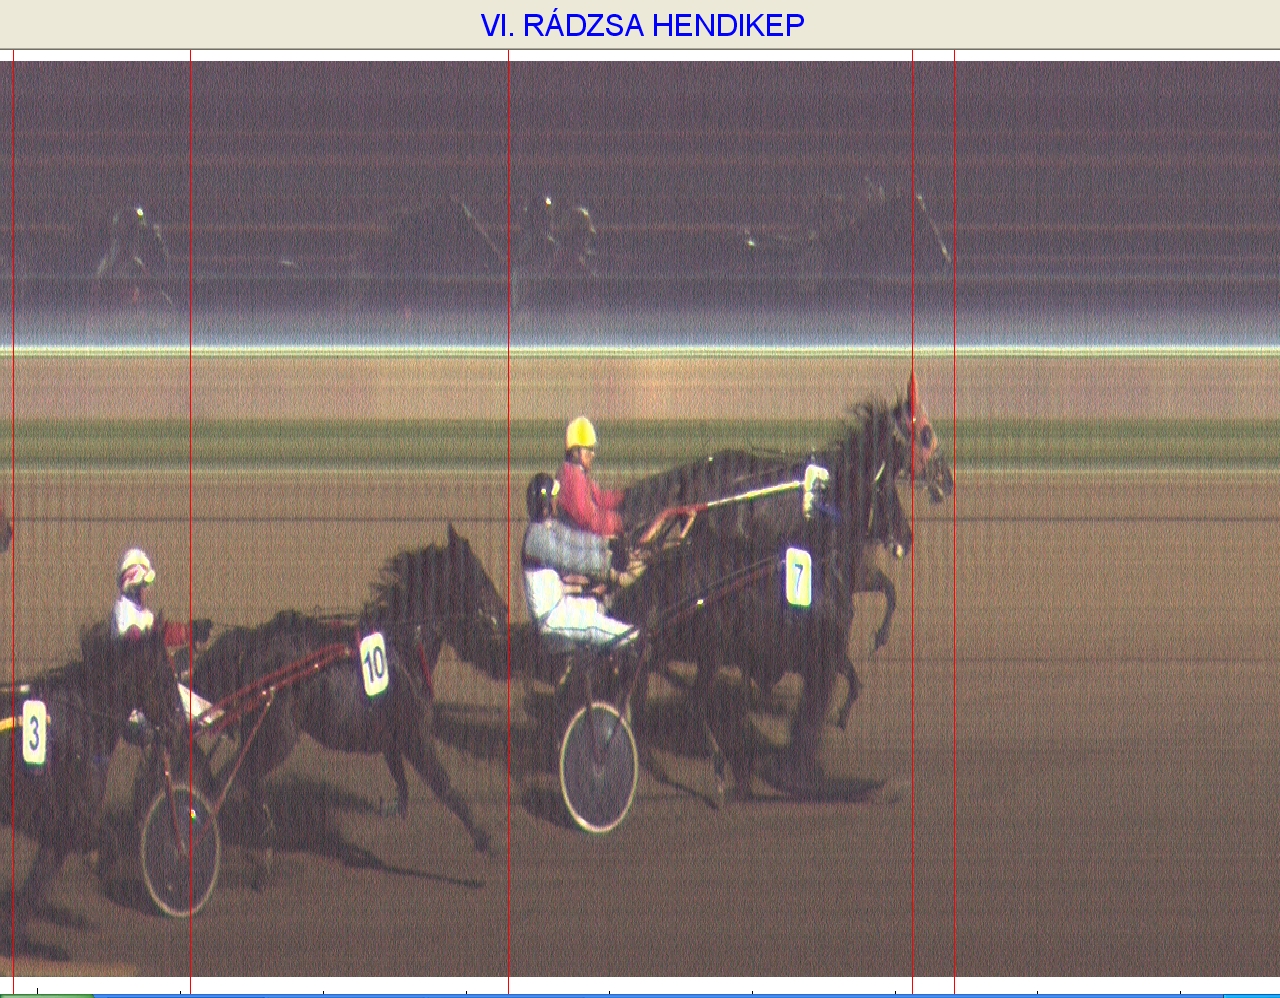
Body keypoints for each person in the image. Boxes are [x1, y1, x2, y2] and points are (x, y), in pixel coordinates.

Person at [522, 473, 641, 651]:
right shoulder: (537, 539)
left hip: (561, 606)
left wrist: (608, 544)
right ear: (545, 505)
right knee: (595, 625)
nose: (557, 501)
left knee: (603, 607)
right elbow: (573, 559)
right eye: (554, 498)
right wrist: (609, 561)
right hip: (551, 619)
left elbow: (576, 540)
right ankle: (638, 641)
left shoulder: (547, 527)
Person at [114, 548, 216, 734]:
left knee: (199, 704)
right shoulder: (123, 612)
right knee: (198, 709)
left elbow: (162, 632)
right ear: (133, 586)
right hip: (140, 696)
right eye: (143, 586)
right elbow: (148, 641)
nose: (146, 591)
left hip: (156, 683)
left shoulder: (142, 613)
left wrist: (189, 631)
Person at [559, 416, 624, 537]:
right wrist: (619, 521)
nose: (592, 454)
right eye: (589, 449)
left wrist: (624, 496)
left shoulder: (575, 473)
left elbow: (599, 498)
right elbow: (588, 520)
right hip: (583, 541)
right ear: (575, 452)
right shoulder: (574, 478)